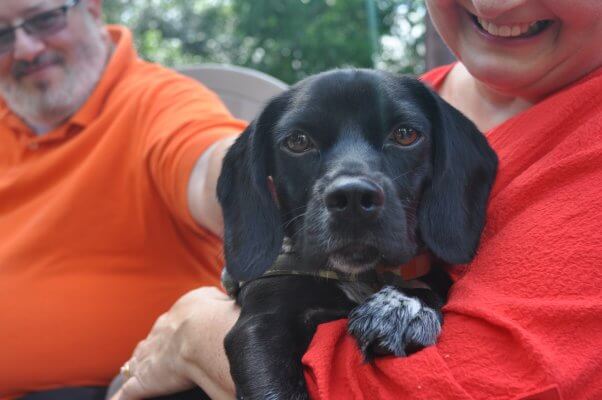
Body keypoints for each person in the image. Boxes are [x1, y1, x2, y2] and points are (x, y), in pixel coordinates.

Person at [112, 0, 602, 399]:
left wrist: (199, 336)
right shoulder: (409, 101)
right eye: (300, 143)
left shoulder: (453, 135)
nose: (495, 3)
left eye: (405, 136)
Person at [0, 0, 247, 398]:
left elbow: (207, 166)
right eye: (2, 35)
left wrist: (267, 180)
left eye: (45, 19)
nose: (26, 49)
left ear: (93, 9)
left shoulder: (157, 100)